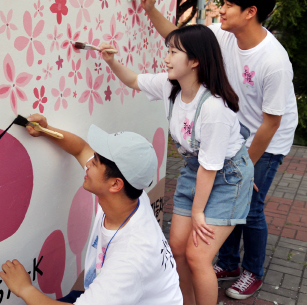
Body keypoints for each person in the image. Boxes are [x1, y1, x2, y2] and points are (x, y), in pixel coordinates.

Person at [141, 0, 298, 299]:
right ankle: (226, 262)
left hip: (265, 139)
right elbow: (181, 39)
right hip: (229, 130)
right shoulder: (223, 35)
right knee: (225, 210)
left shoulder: (274, 61)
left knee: (251, 205)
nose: (221, 10)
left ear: (250, 12)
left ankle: (252, 270)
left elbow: (271, 122)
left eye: (228, 5)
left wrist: (246, 168)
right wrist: (151, 10)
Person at [100, 24, 254, 305]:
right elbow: (133, 80)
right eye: (168, 50)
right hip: (195, 171)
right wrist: (111, 61)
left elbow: (211, 167)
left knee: (198, 256)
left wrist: (198, 213)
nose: (166, 58)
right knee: (177, 250)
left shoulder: (213, 108)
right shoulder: (170, 85)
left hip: (227, 177)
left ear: (195, 60)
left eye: (173, 52)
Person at [0, 115, 183, 305]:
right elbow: (80, 149)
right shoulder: (132, 193)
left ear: (115, 184)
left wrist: (24, 289)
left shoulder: (130, 258)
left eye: (95, 162)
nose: (87, 163)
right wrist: (45, 130)